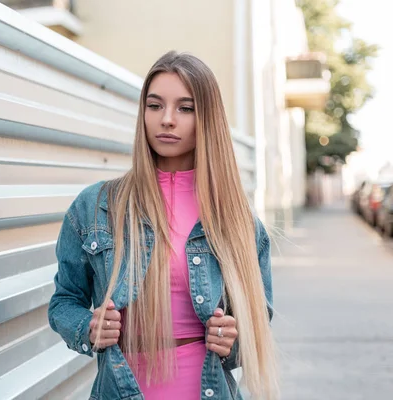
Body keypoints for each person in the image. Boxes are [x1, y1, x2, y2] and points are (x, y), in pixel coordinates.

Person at [48, 51, 278, 400]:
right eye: (155, 106)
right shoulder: (95, 207)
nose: (167, 119)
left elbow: (257, 328)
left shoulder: (237, 221)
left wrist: (232, 340)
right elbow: (64, 301)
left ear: (207, 119)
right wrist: (89, 327)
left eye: (185, 108)